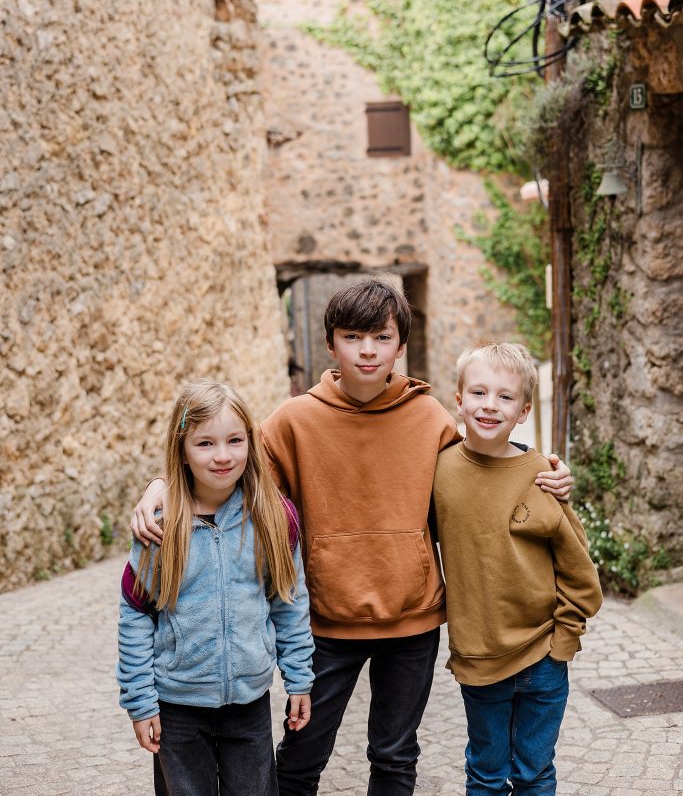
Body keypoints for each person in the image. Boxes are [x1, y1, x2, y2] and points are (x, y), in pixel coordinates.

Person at [131, 280, 574, 796]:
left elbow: (481, 463)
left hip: (412, 623)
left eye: (381, 337)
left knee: (394, 757)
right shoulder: (295, 420)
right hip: (326, 624)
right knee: (301, 756)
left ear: (400, 347)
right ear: (331, 343)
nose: (367, 349)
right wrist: (161, 483)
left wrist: (542, 469)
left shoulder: (429, 417)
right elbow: (226, 465)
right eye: (353, 336)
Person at [117, 380, 315, 796]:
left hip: (249, 705)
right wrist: (140, 702)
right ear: (182, 451)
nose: (222, 456)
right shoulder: (160, 525)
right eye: (205, 443)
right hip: (177, 709)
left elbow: (289, 602)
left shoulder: (274, 518)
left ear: (250, 442)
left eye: (234, 440)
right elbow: (135, 614)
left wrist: (298, 678)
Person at [432, 342, 602, 796]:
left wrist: (563, 641)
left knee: (535, 774)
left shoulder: (541, 475)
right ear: (459, 400)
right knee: (485, 775)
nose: (490, 405)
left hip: (543, 658)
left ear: (524, 410)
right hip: (479, 658)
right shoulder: (439, 472)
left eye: (505, 397)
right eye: (479, 393)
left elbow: (579, 571)